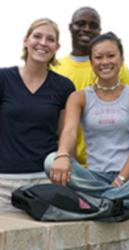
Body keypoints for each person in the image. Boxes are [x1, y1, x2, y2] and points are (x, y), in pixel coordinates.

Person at [44, 32, 129, 214]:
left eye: (111, 56)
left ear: (121, 59)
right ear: (91, 63)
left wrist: (121, 180)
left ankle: (102, 200)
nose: (105, 62)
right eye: (98, 57)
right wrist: (62, 155)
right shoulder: (79, 97)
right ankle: (125, 200)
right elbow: (69, 132)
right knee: (50, 161)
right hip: (93, 177)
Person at [0, 18, 75, 213]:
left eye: (50, 39)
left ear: (57, 47)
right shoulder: (3, 79)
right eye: (37, 36)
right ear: (26, 40)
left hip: (46, 181)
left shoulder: (64, 87)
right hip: (3, 183)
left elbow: (66, 131)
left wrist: (64, 157)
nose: (43, 43)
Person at [52, 6, 129, 165]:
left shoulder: (118, 69)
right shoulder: (55, 67)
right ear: (70, 27)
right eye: (80, 23)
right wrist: (64, 155)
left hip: (114, 163)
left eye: (93, 25)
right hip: (70, 163)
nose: (86, 29)